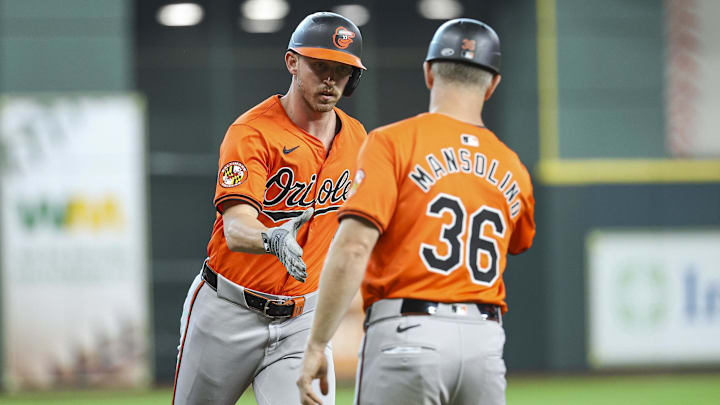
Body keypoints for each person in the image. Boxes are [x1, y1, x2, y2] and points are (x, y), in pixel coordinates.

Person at [297, 18, 536, 405]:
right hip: (485, 345)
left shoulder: (392, 143)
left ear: (428, 73)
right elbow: (519, 241)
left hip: (408, 335)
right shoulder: (513, 166)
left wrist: (316, 344)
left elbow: (354, 248)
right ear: (492, 85)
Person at [172, 12, 368, 405]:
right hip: (227, 311)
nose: (330, 79)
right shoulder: (253, 132)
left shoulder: (356, 138)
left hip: (302, 319)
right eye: (320, 66)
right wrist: (273, 239)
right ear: (292, 62)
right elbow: (236, 227)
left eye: (342, 70)